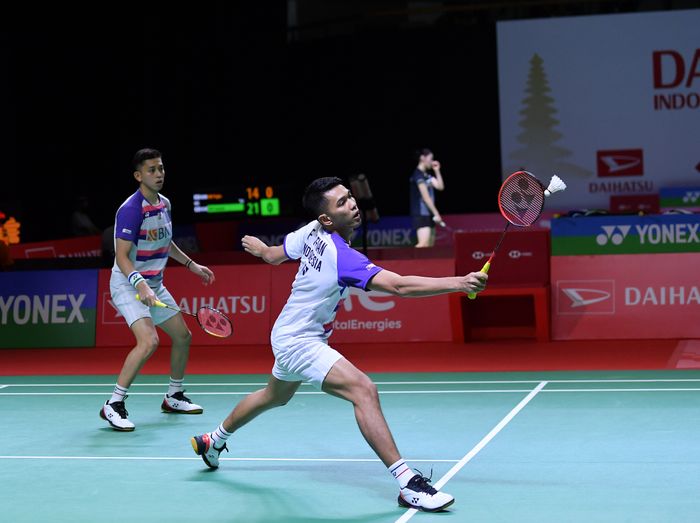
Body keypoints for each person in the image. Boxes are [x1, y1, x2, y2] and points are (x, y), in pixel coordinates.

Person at [190, 177, 487, 512]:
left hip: (288, 332)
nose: (353, 204)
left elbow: (274, 256)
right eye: (342, 202)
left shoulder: (311, 231)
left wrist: (261, 249)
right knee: (364, 390)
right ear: (326, 218)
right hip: (299, 339)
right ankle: (408, 484)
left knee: (274, 396)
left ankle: (211, 441)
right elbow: (400, 286)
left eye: (350, 197)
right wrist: (459, 282)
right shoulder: (340, 255)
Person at [100, 148, 215, 431]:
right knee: (149, 341)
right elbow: (122, 256)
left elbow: (166, 241)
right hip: (128, 284)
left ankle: (173, 397)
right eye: (151, 170)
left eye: (161, 168)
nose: (159, 174)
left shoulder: (164, 203)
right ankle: (113, 404)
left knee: (183, 336)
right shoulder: (130, 209)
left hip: (155, 284)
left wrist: (191, 265)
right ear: (139, 176)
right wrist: (140, 285)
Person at [409, 148, 445, 248]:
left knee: (429, 246)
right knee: (423, 245)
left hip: (429, 214)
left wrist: (437, 171)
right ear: (422, 158)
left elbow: (440, 187)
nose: (432, 161)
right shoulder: (418, 175)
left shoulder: (427, 176)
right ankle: (405, 262)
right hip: (421, 214)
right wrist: (437, 214)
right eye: (431, 158)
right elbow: (426, 197)